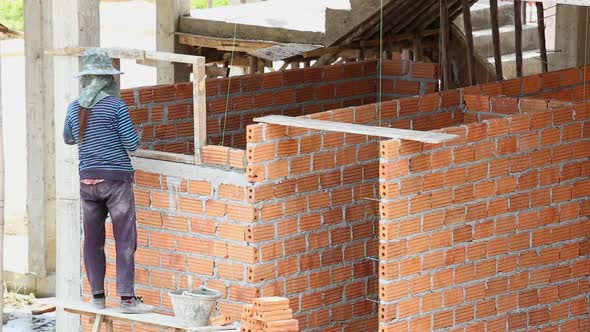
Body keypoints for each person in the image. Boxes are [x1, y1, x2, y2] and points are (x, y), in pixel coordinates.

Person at [63, 49, 152, 314]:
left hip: (87, 182)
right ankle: (127, 300)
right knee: (124, 238)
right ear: (108, 79)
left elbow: (69, 139)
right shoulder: (115, 106)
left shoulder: (73, 106)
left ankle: (97, 297)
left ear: (86, 78)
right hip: (116, 181)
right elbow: (132, 144)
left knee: (92, 240)